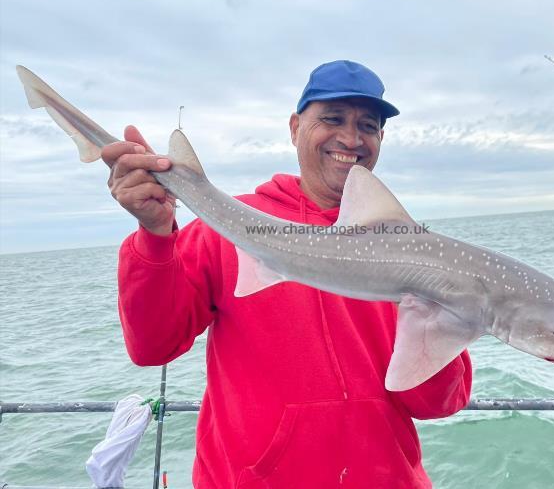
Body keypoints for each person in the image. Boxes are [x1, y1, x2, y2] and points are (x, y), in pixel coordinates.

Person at [102, 60, 472, 488]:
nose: (350, 138)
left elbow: (435, 404)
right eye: (332, 119)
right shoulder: (229, 228)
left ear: (381, 139)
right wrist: (154, 235)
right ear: (296, 127)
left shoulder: (410, 250)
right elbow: (153, 346)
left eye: (367, 126)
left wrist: (441, 328)